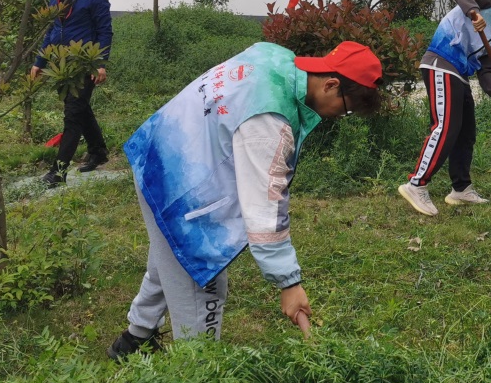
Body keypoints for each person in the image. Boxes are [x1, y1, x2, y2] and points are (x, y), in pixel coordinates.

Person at [107, 40, 383, 358]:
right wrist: (289, 284)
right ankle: (196, 372)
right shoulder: (269, 121)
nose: (340, 116)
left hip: (156, 151)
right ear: (331, 85)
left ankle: (134, 339)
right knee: (202, 277)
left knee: (170, 261)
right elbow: (264, 210)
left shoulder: (274, 56)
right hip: (178, 186)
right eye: (346, 109)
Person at [397, 0, 491, 216]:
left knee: (465, 132)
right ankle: (416, 184)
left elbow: (487, 73)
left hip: (459, 73)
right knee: (446, 127)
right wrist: (474, 12)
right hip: (441, 61)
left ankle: (461, 189)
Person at [30, 0, 114, 188]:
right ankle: (98, 151)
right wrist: (40, 62)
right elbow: (51, 31)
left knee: (73, 115)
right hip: (61, 67)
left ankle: (58, 171)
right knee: (80, 109)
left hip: (84, 65)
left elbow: (105, 32)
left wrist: (99, 64)